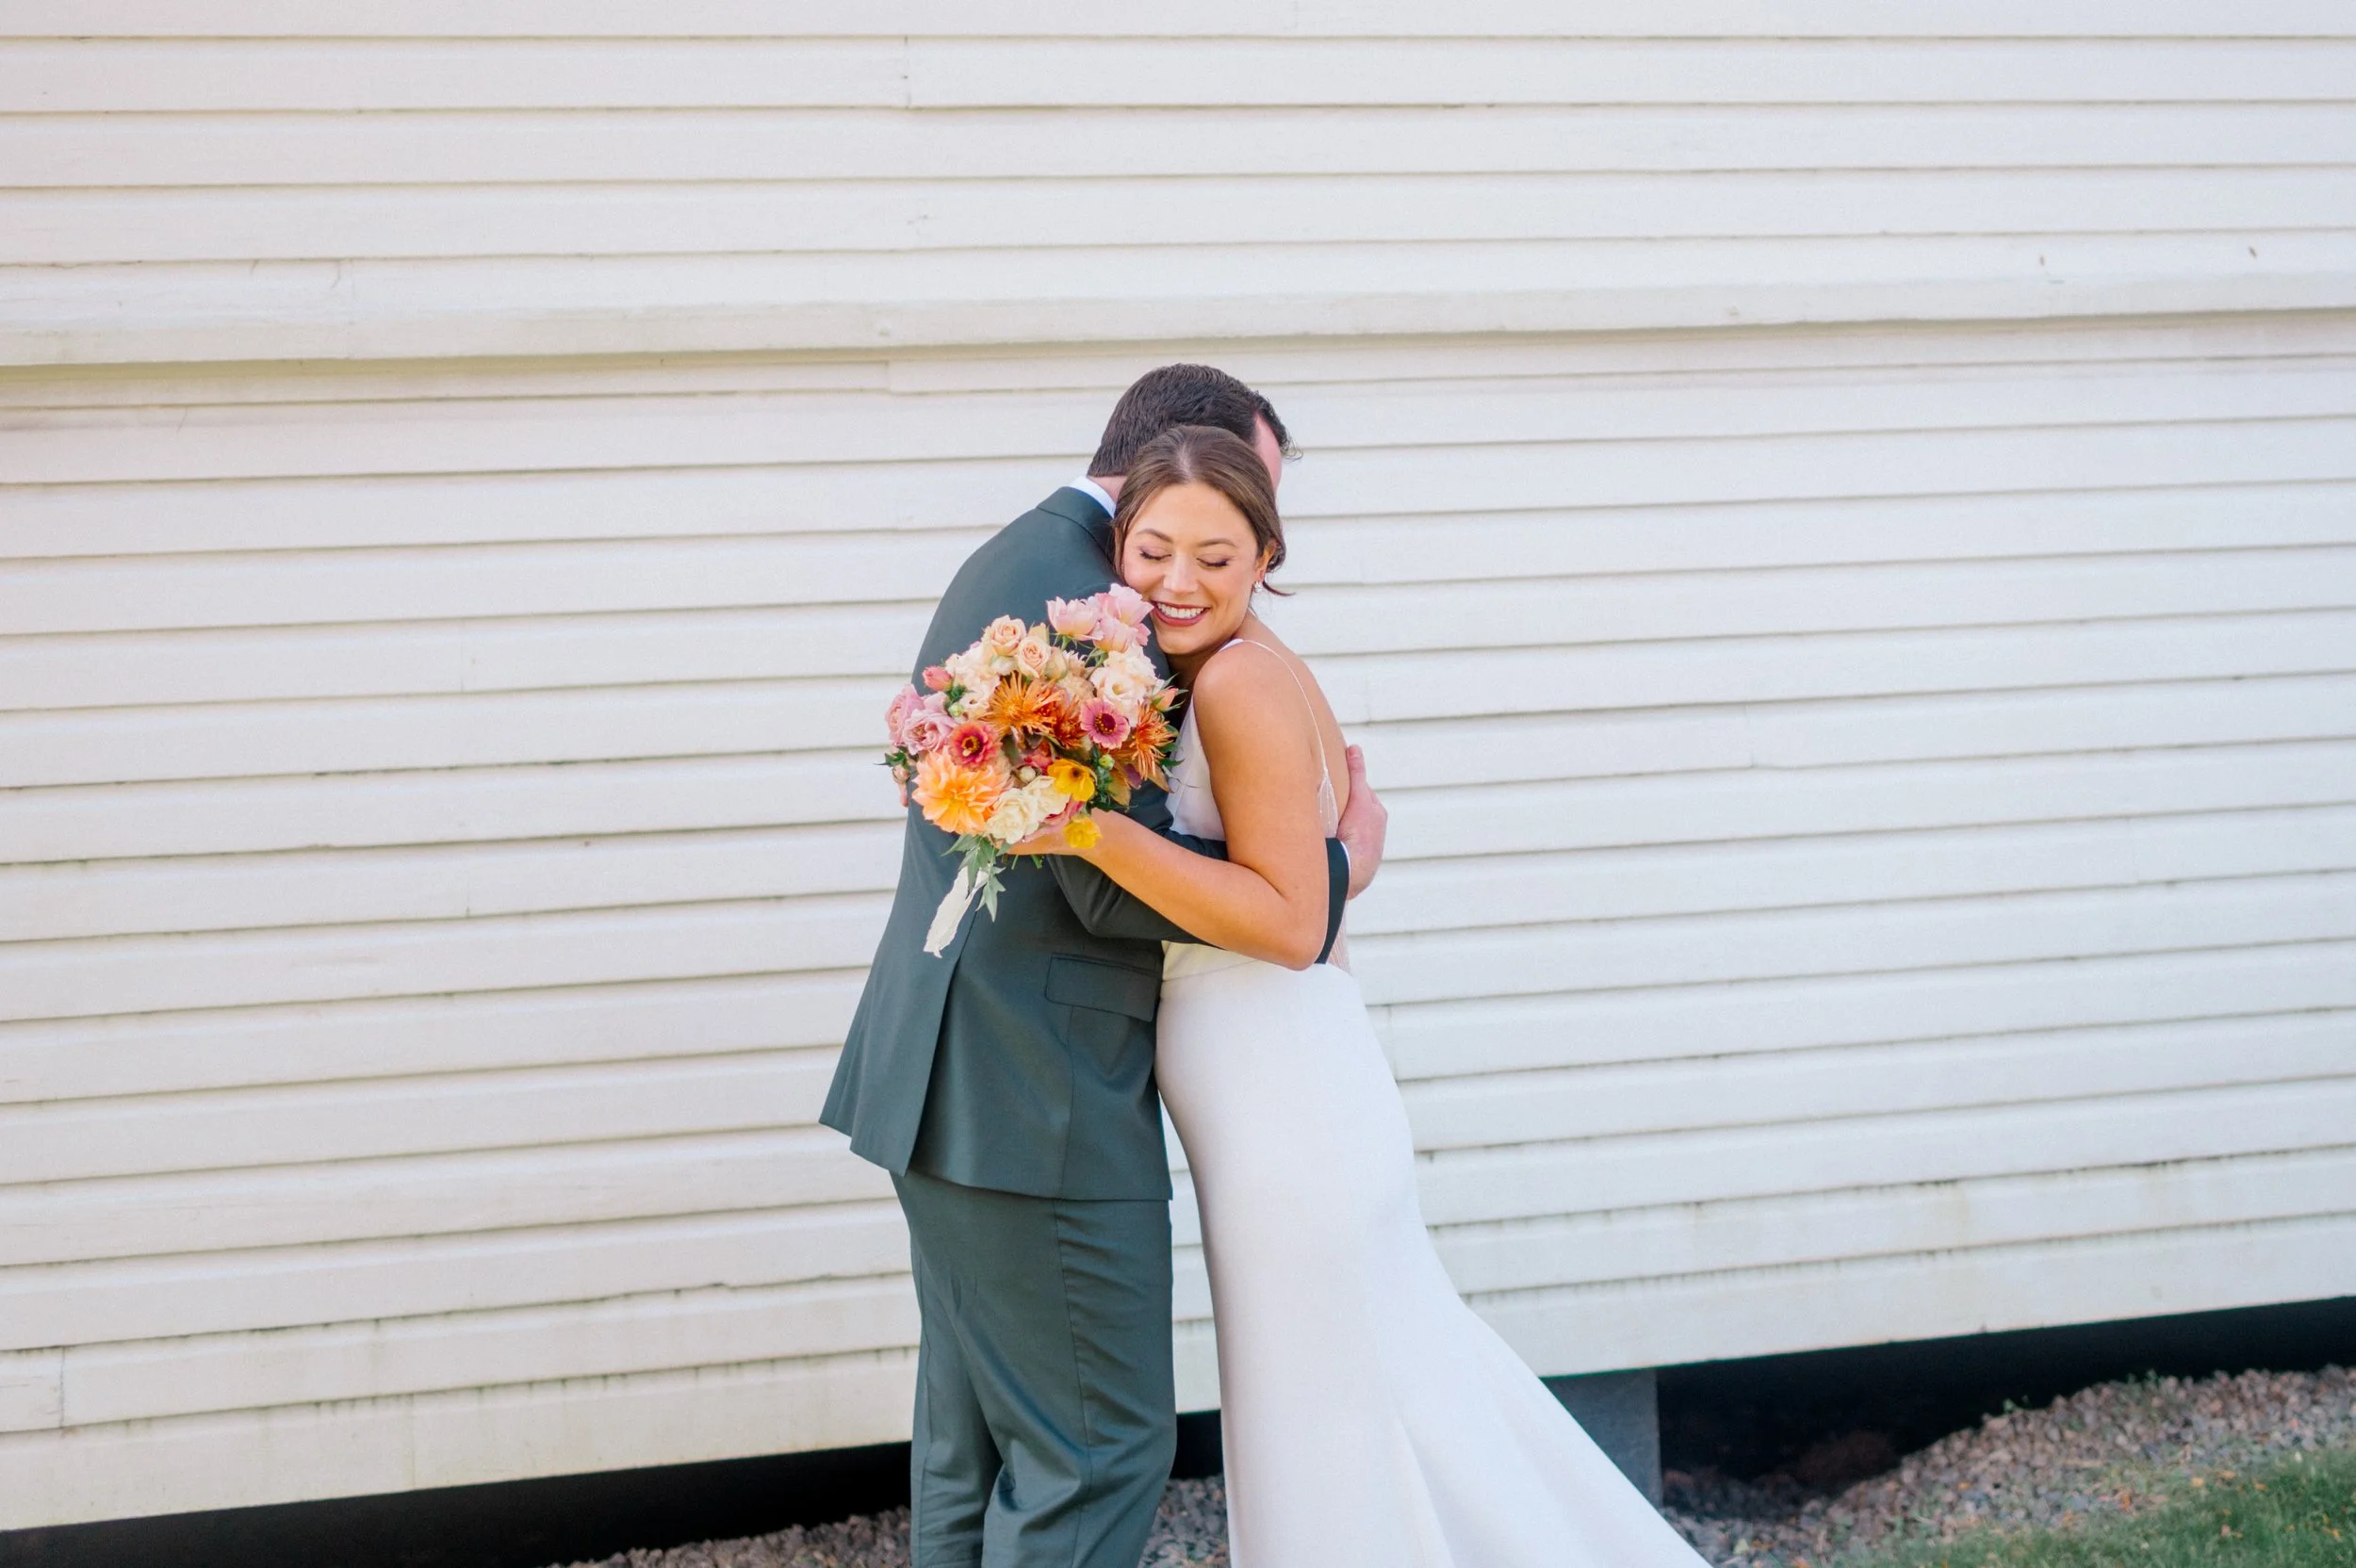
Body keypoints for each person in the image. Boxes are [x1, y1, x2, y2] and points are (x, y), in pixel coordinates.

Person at [1019, 424, 1709, 1566]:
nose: (1176, 580)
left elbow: (1294, 921)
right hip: (1289, 1086)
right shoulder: (1241, 664)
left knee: (1332, 1407)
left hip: (1283, 1100)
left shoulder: (1237, 679)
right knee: (1380, 1382)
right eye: (1151, 550)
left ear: (1265, 557)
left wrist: (1083, 827)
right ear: (1116, 547)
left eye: (1216, 555)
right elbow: (1340, 847)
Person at [822, 366, 1390, 1568]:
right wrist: (1330, 874)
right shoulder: (1078, 601)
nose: (1222, 553)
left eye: (1246, 529)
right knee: (1098, 1450)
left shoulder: (1042, 566)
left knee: (974, 1443)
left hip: (970, 1075)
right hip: (1035, 1088)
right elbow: (1089, 871)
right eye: (1224, 503)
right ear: (1150, 475)